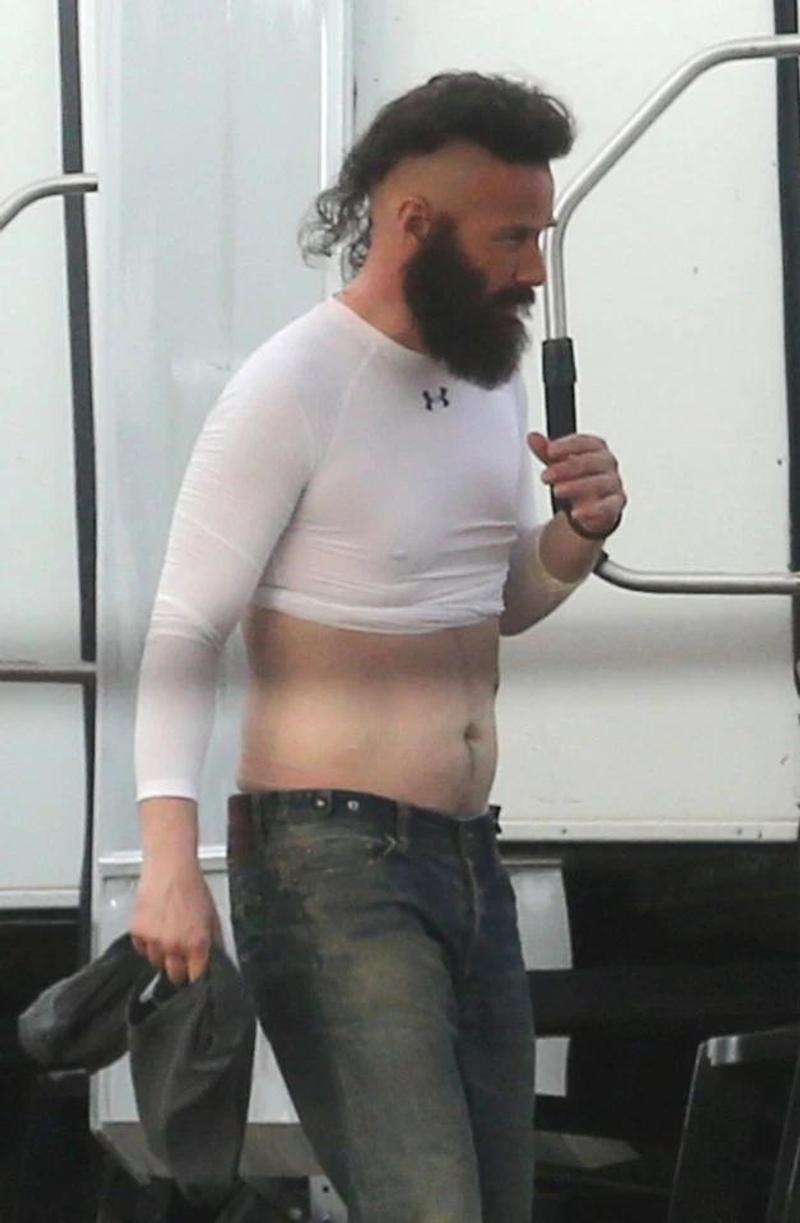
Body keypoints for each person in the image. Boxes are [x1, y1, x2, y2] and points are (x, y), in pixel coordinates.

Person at [131, 71, 626, 1223]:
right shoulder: (296, 382)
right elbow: (183, 625)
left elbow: (492, 602)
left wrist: (577, 535)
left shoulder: (487, 377)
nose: (535, 270)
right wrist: (167, 860)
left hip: (465, 852)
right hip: (330, 860)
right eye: (510, 238)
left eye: (539, 235)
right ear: (413, 223)